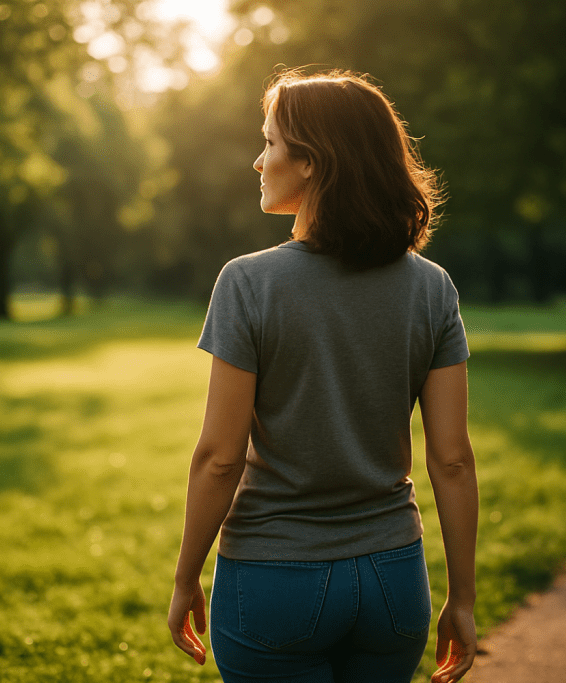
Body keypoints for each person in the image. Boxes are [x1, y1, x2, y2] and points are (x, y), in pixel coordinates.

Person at [167, 69, 479, 683]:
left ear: (312, 162)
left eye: (271, 143)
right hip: (393, 581)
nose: (258, 162)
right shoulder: (431, 287)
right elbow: (453, 460)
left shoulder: (247, 282)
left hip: (272, 579)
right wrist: (462, 600)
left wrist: (185, 579)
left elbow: (219, 459)